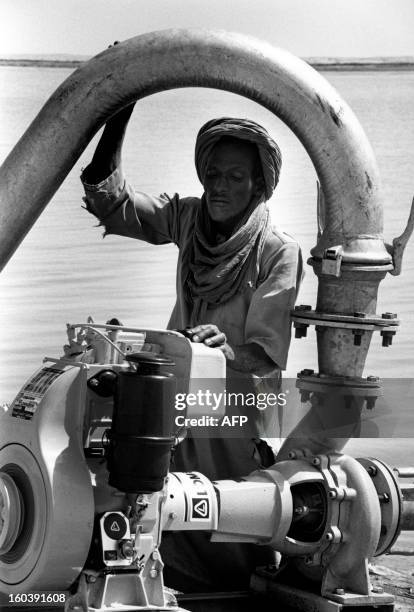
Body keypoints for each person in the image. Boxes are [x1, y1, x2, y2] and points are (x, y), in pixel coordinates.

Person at [81, 106, 303, 592]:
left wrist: (226, 351)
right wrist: (119, 111)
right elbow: (108, 199)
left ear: (260, 186)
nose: (219, 186)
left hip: (235, 419)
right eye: (214, 174)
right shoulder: (188, 219)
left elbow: (266, 358)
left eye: (236, 177)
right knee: (157, 509)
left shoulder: (277, 251)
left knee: (230, 535)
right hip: (177, 408)